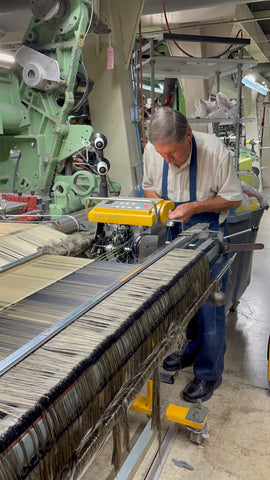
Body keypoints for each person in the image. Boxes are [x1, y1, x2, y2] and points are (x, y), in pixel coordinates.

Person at [142, 107, 242, 403]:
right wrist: (164, 206)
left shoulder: (215, 151)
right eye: (162, 155)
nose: (167, 161)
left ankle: (209, 373)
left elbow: (234, 198)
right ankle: (188, 350)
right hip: (172, 233)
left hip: (207, 233)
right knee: (184, 301)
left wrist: (195, 207)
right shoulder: (153, 150)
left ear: (188, 135)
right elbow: (148, 187)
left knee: (210, 306)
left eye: (172, 154)